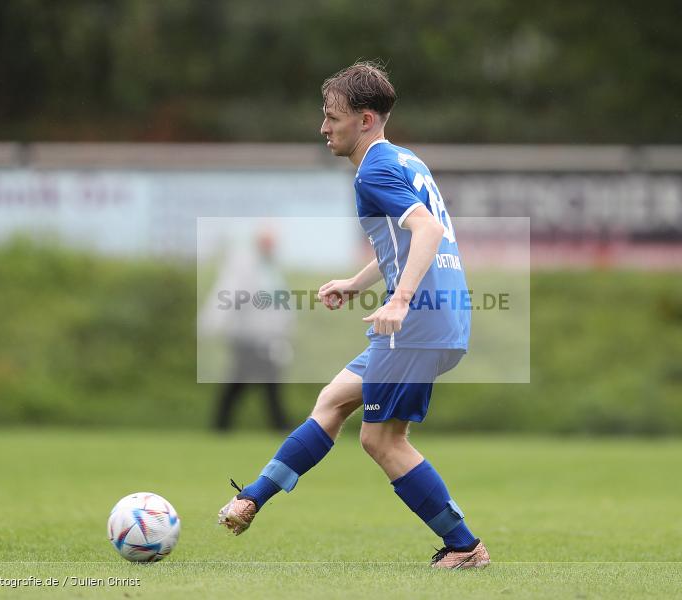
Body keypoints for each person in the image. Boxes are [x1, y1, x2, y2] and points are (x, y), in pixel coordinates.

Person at [217, 61, 489, 569]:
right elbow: (408, 239)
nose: (323, 127)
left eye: (332, 116)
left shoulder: (375, 170)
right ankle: (251, 498)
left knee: (382, 439)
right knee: (334, 399)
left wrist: (400, 299)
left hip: (419, 321)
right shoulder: (405, 160)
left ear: (365, 119)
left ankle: (465, 547)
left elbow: (427, 231)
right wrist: (358, 283)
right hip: (441, 315)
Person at [198, 227, 292, 431]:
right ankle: (277, 425)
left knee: (260, 381)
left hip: (267, 337)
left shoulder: (271, 268)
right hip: (246, 335)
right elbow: (227, 294)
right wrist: (211, 323)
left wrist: (283, 327)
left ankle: (223, 425)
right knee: (244, 381)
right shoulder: (245, 265)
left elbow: (280, 302)